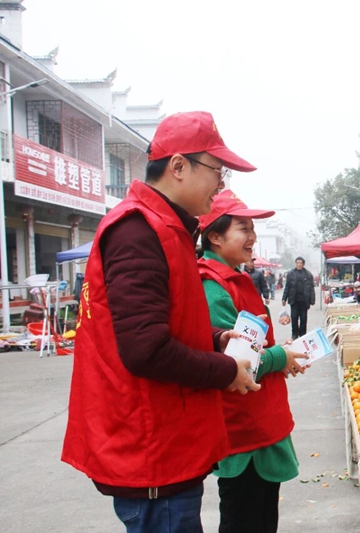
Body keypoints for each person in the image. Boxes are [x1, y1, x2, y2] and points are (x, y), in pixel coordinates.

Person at [62, 111, 261, 533]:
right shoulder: (138, 230)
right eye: (217, 172)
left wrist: (215, 339)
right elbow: (145, 349)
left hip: (169, 440)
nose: (221, 185)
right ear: (177, 167)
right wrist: (225, 369)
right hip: (151, 447)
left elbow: (161, 324)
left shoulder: (167, 228)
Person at [197, 190, 308, 533]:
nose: (253, 237)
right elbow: (239, 362)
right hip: (243, 428)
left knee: (262, 518)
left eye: (252, 228)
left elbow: (256, 346)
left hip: (260, 418)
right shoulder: (213, 288)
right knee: (244, 520)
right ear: (215, 236)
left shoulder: (238, 278)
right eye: (242, 229)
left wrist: (282, 354)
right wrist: (280, 356)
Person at [281, 257, 315, 340]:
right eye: (297, 263)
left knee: (303, 318)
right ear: (295, 264)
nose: (299, 264)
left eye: (300, 263)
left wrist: (312, 299)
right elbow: (287, 287)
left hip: (304, 300)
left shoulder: (308, 274)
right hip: (294, 300)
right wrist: (284, 299)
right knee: (294, 317)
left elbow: (311, 288)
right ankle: (294, 334)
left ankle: (302, 334)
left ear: (303, 264)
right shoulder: (291, 274)